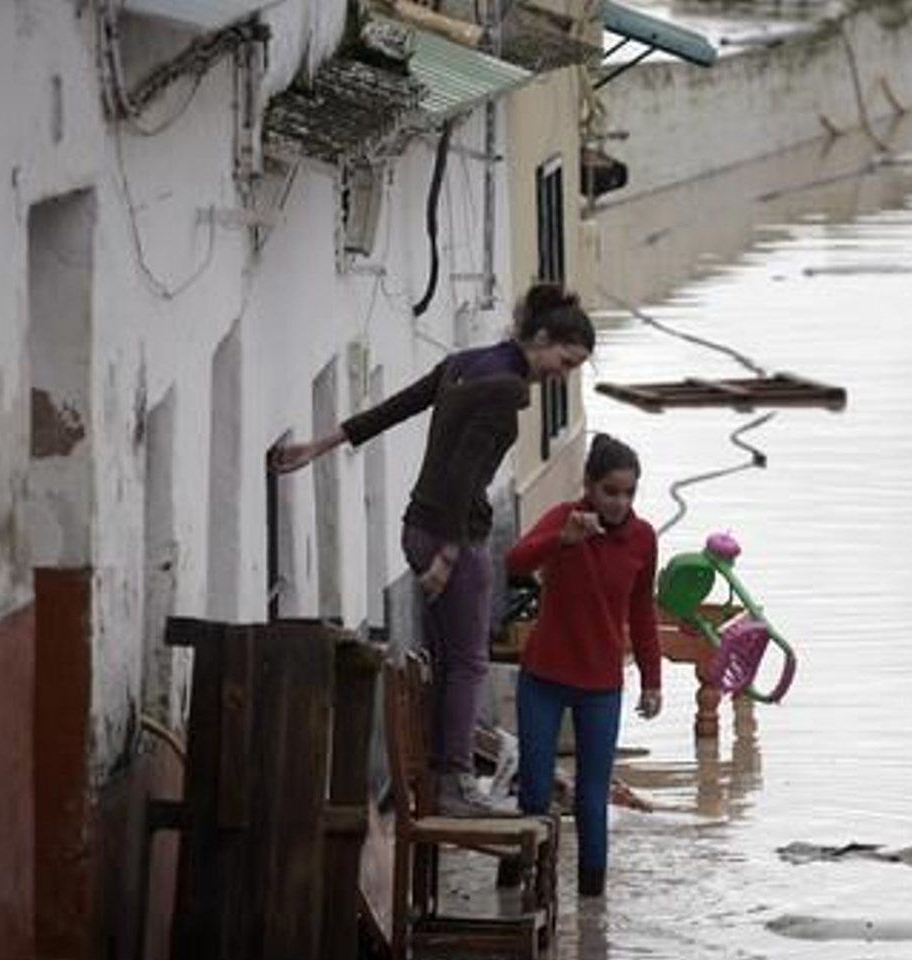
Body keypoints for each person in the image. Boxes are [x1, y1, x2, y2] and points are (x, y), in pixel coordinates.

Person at [270, 283, 595, 817]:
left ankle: (443, 778)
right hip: (452, 535)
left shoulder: (465, 363)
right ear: (540, 338)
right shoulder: (507, 388)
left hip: (416, 528)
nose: (563, 373)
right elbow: (464, 473)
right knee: (467, 663)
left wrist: (318, 446)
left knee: (448, 661)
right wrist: (448, 552)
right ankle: (455, 783)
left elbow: (392, 410)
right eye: (565, 360)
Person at [506, 434, 663, 898]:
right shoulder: (565, 520)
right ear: (589, 486)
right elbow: (514, 561)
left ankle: (593, 907)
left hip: (601, 686)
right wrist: (562, 540)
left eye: (629, 492)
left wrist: (652, 682)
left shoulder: (642, 538)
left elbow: (642, 613)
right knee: (534, 789)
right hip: (544, 678)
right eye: (610, 491)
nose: (619, 502)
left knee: (592, 798)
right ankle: (519, 882)